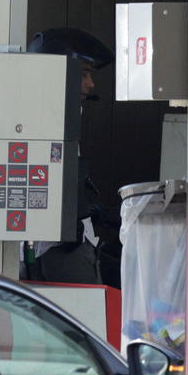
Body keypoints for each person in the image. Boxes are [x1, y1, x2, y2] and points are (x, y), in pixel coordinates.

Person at [23, 26, 119, 287]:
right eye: (84, 74)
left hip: (61, 244)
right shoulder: (42, 119)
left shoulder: (58, 117)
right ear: (59, 72)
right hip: (59, 250)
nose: (91, 84)